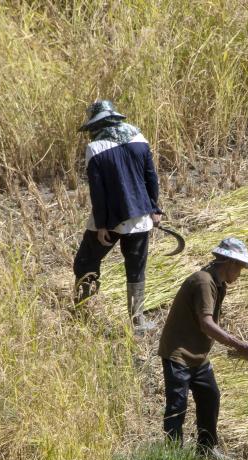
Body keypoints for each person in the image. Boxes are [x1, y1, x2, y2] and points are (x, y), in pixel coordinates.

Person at [157, 237, 248, 460]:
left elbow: (207, 325)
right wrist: (239, 344)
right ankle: (172, 457)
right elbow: (207, 323)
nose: (240, 274)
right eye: (240, 267)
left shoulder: (217, 283)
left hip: (197, 355)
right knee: (177, 406)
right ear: (230, 263)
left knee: (210, 397)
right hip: (179, 353)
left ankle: (206, 449)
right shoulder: (205, 282)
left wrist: (233, 348)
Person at [72, 99, 162, 333]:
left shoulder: (95, 148)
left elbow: (98, 192)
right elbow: (151, 178)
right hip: (141, 217)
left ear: (96, 125)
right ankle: (138, 322)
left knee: (86, 261)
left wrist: (101, 225)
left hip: (111, 219)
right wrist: (155, 208)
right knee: (136, 270)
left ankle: (83, 312)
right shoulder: (139, 140)